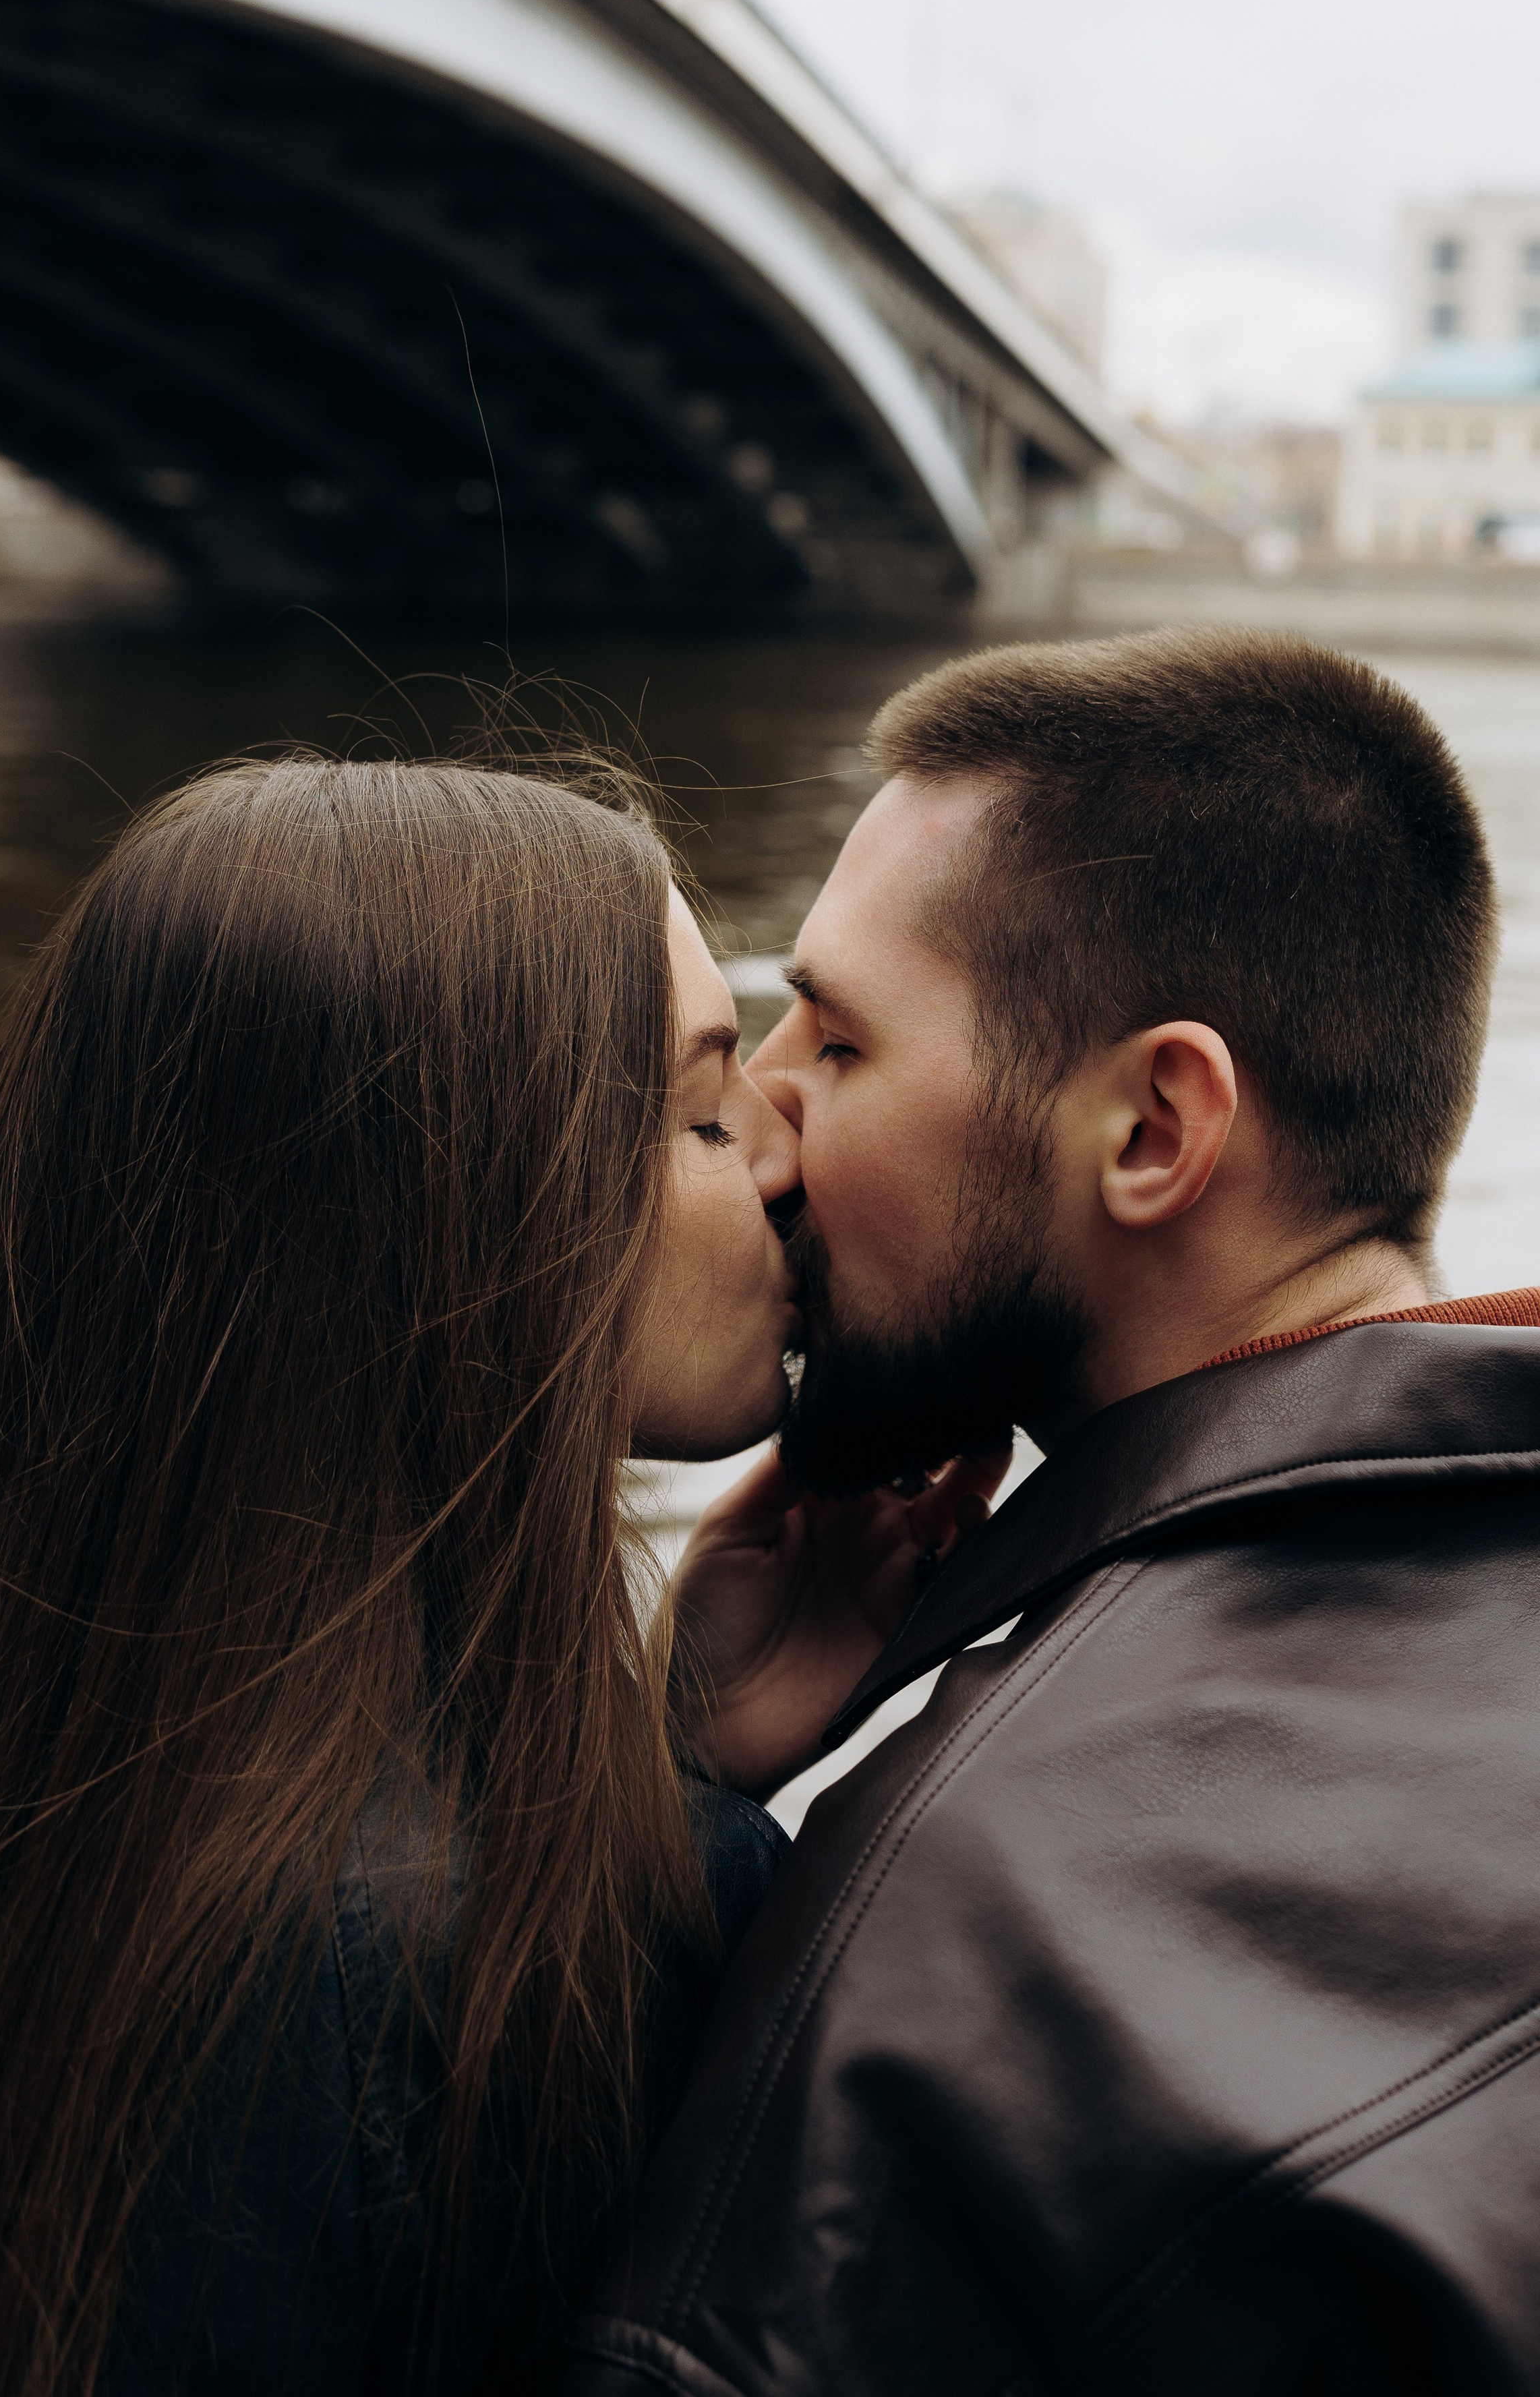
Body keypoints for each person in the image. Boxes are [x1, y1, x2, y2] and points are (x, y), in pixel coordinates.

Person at [0, 754, 945, 2397]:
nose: (781, 1157)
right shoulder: (504, 1960)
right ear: (462, 1221)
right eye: (703, 1113)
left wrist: (657, 1747)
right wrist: (664, 1841)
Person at [568, 627, 1540, 2396]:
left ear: (1155, 1130)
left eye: (840, 1045)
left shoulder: (961, 1923)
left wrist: (666, 1814)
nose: (763, 1136)